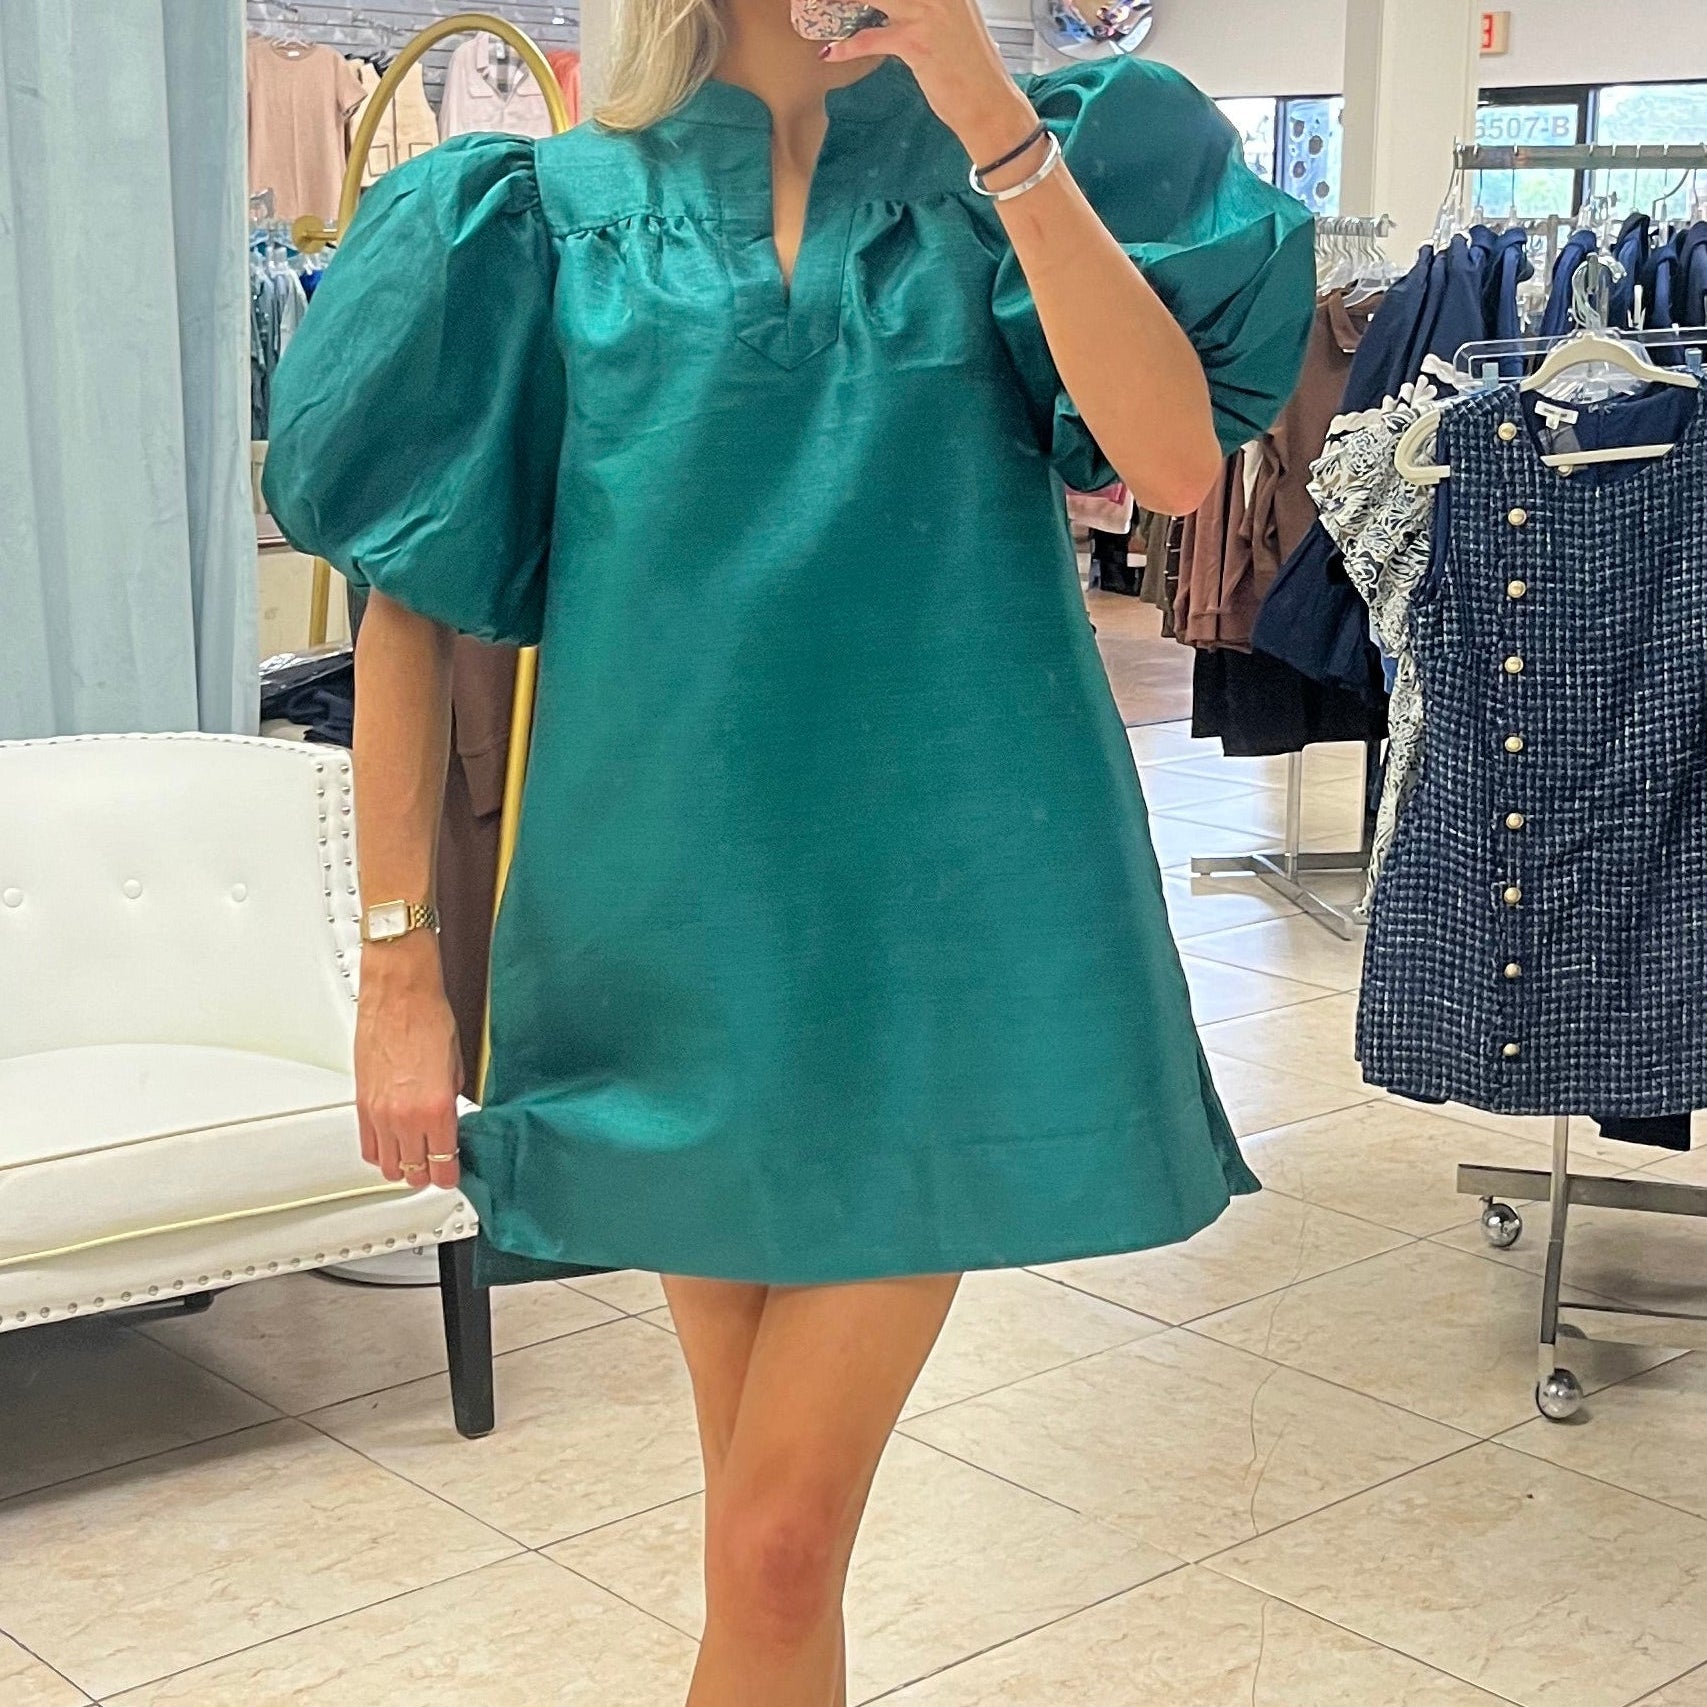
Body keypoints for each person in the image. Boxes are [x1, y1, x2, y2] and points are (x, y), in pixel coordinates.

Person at [263, 0, 1314, 1695]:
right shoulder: (535, 216)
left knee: (772, 1543)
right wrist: (399, 966)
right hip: (667, 933)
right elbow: (407, 606)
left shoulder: (1049, 152)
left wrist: (979, 97)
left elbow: (1175, 462)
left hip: (946, 923)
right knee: (761, 1549)